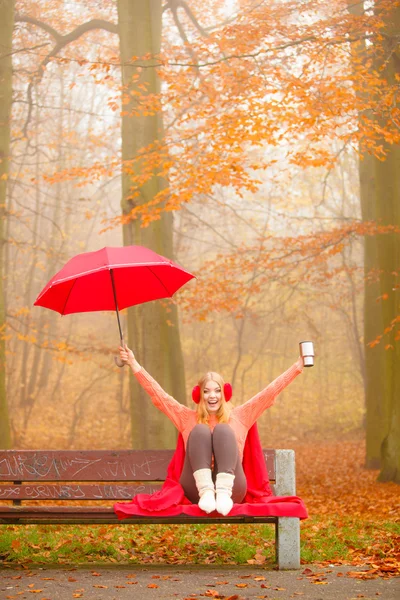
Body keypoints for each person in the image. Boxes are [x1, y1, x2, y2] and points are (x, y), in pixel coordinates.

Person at [118, 345, 304, 516]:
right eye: (206, 391)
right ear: (199, 395)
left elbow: (269, 392)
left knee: (223, 430)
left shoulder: (241, 416)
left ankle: (222, 491)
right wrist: (134, 363)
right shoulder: (186, 417)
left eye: (217, 391)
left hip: (232, 491)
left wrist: (297, 366)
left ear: (224, 394)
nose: (212, 395)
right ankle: (207, 490)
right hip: (197, 491)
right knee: (199, 431)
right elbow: (158, 395)